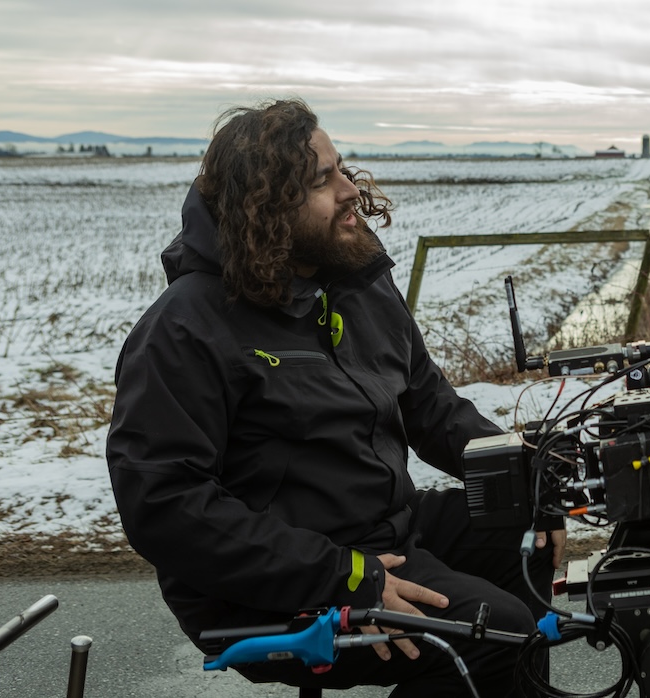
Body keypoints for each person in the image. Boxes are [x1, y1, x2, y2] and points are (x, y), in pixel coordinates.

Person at [106, 98, 563, 697]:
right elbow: (163, 506)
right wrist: (342, 578)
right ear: (265, 210)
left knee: (520, 536)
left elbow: (430, 406)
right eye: (323, 180)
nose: (350, 190)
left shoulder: (352, 283)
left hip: (380, 534)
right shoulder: (186, 327)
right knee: (495, 635)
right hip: (276, 585)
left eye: (342, 168)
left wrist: (530, 478)